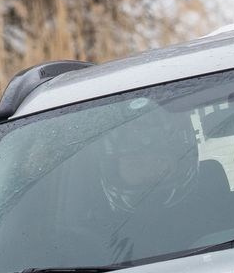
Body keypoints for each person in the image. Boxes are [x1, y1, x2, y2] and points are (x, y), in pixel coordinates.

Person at [88, 101, 226, 258]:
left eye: (160, 160)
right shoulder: (98, 237)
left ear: (181, 161)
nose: (149, 172)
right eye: (136, 164)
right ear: (114, 171)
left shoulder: (217, 215)